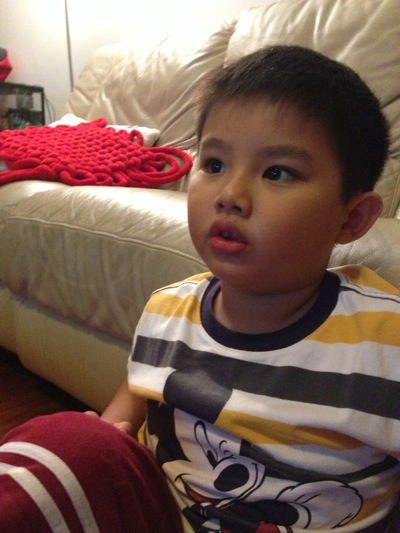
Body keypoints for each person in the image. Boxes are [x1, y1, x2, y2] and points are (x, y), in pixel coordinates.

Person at [1, 45, 399, 533]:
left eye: (277, 172)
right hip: (162, 515)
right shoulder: (168, 308)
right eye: (213, 164)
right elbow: (132, 400)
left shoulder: (384, 340)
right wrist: (96, 443)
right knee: (66, 438)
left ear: (352, 217)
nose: (230, 194)